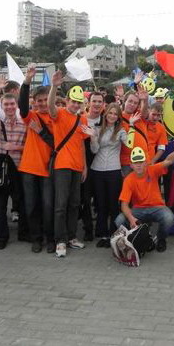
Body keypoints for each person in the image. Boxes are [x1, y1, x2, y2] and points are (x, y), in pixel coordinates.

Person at [116, 133, 174, 253]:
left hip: (157, 207)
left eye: (141, 161)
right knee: (119, 220)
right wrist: (131, 219)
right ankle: (135, 239)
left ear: (146, 162)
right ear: (131, 165)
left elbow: (169, 160)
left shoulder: (152, 170)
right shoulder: (128, 179)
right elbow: (124, 204)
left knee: (169, 218)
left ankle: (161, 239)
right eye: (136, 162)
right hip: (138, 209)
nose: (139, 165)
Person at [81, 103, 138, 248]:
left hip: (113, 170)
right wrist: (93, 137)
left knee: (113, 204)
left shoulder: (121, 130)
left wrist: (131, 125)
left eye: (115, 114)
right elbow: (94, 150)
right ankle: (102, 234)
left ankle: (114, 234)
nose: (112, 116)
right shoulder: (97, 129)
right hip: (97, 170)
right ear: (106, 114)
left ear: (118, 117)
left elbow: (130, 144)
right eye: (110, 113)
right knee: (101, 204)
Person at [48, 71, 89, 258]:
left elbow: (81, 144)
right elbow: (50, 106)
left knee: (74, 204)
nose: (76, 105)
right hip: (62, 165)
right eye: (73, 101)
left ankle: (71, 237)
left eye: (79, 102)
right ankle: (60, 240)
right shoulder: (60, 114)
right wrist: (54, 86)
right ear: (67, 101)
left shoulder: (82, 119)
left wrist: (85, 166)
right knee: (61, 205)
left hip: (77, 166)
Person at [17, 65, 57, 253]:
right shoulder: (31, 116)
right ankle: (36, 239)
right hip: (29, 169)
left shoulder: (56, 118)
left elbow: (57, 144)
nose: (41, 104)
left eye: (44, 100)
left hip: (47, 169)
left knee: (48, 207)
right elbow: (22, 106)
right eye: (38, 101)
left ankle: (50, 239)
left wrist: (41, 132)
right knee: (31, 206)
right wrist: (27, 81)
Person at [0, 75, 27, 250]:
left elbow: (30, 147)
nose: (9, 107)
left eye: (12, 104)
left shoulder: (24, 124)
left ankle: (24, 233)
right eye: (6, 105)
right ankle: (2, 237)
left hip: (19, 169)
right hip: (1, 171)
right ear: (2, 106)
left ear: (16, 106)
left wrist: (15, 147)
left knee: (23, 204)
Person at [80, 91, 104, 242]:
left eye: (99, 101)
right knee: (85, 198)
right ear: (88, 103)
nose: (96, 104)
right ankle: (88, 228)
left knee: (101, 198)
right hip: (86, 164)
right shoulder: (81, 119)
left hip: (102, 163)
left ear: (103, 104)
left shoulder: (106, 120)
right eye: (94, 101)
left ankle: (101, 228)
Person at [119, 85, 150, 176]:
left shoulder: (139, 115)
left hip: (143, 160)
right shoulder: (118, 117)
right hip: (127, 162)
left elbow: (144, 112)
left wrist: (145, 100)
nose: (132, 104)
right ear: (125, 101)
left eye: (135, 103)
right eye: (130, 101)